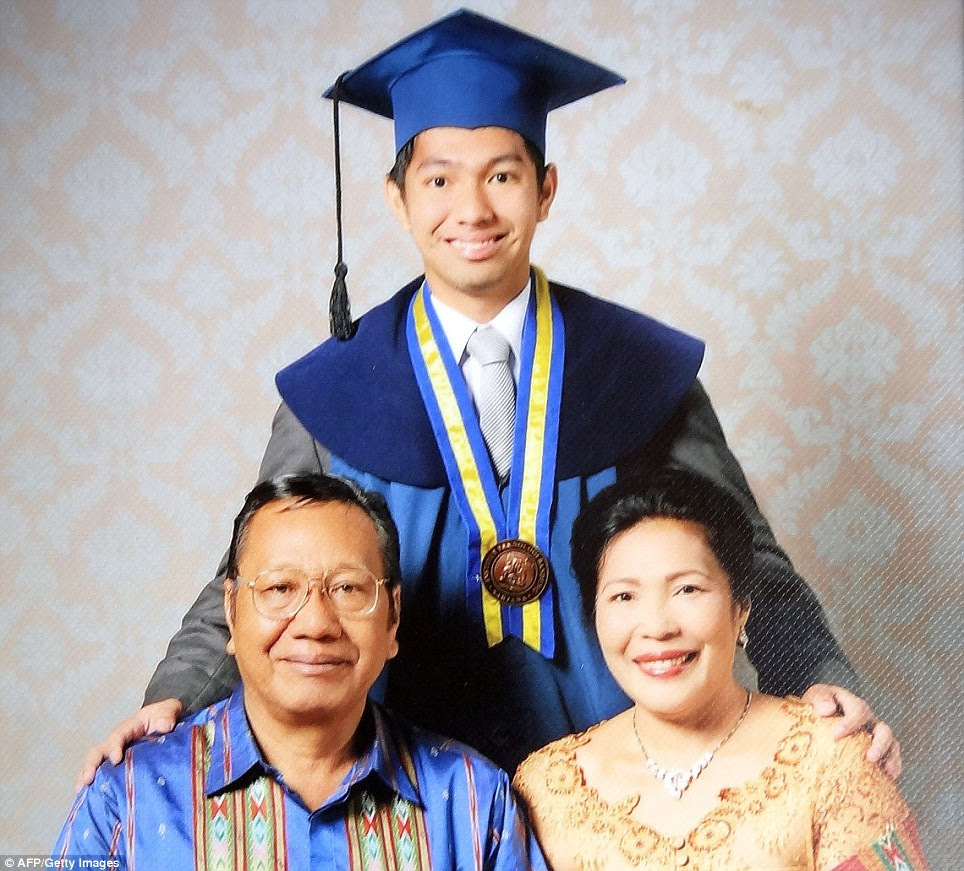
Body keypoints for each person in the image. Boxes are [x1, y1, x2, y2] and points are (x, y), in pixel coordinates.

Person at [79, 9, 897, 786]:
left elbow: (744, 556)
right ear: (398, 199)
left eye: (502, 176)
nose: (471, 210)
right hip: (410, 789)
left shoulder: (638, 369)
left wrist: (820, 676)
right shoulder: (335, 389)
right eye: (439, 179)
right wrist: (173, 697)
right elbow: (257, 575)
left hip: (618, 781)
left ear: (545, 190)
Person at [57, 473, 547, 869]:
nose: (315, 624)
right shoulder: (127, 796)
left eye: (348, 588)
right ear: (231, 611)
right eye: (280, 589)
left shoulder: (473, 802)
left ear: (392, 618)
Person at [513, 468, 926, 870]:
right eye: (624, 596)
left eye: (687, 589)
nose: (657, 627)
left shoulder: (831, 758)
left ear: (741, 606)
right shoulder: (547, 789)